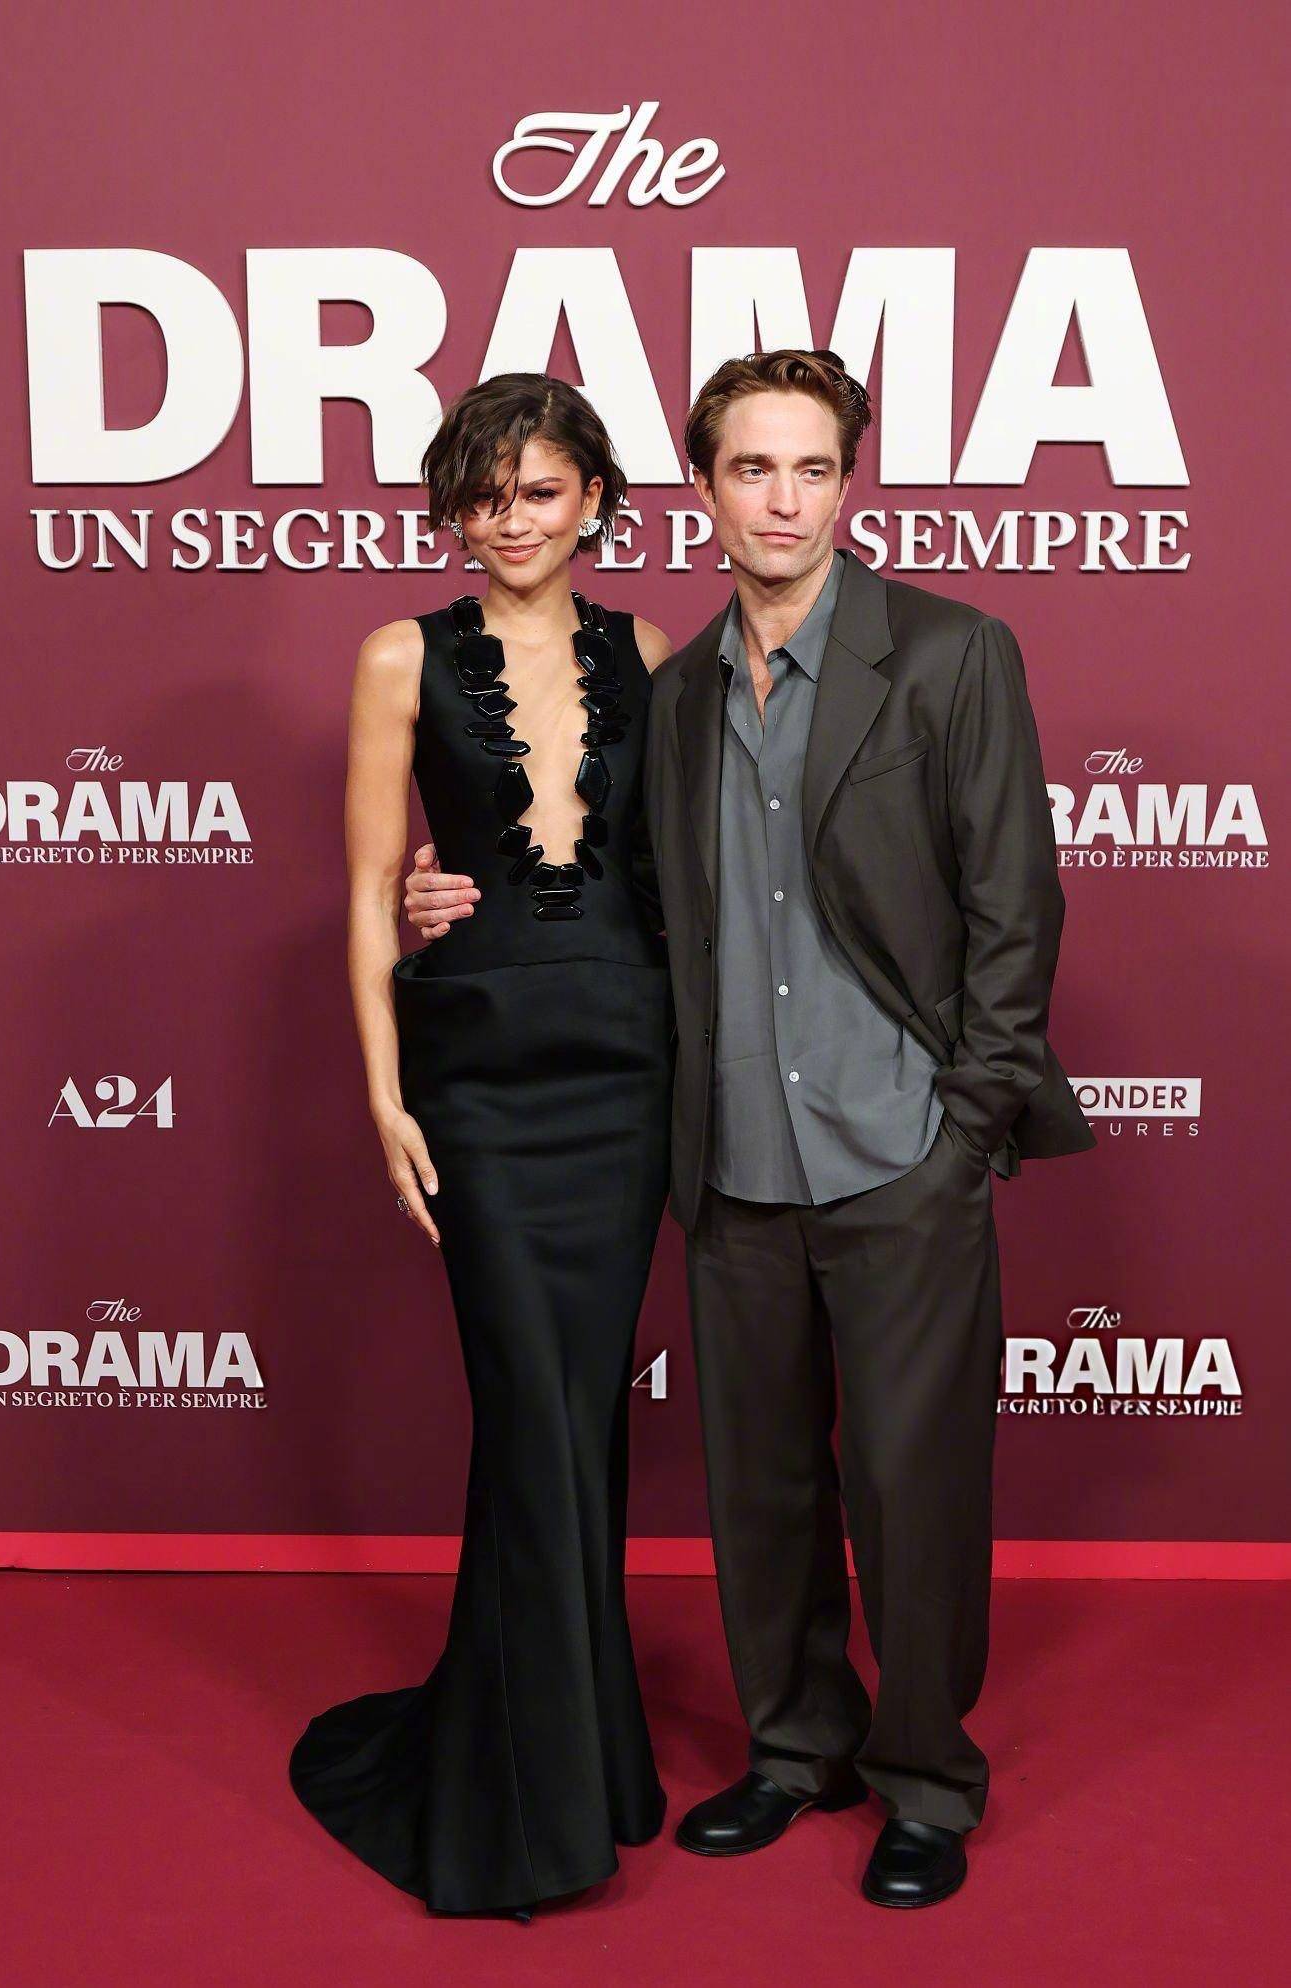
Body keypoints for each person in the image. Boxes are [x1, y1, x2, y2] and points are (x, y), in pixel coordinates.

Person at [404, 349, 1096, 1910]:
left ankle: (924, 1779)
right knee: (762, 1488)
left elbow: (1014, 906)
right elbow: (608, 883)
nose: (782, 500)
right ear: (703, 489)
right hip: (728, 1158)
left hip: (899, 1149)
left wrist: (964, 1125)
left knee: (910, 1490)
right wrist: (429, 886)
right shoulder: (674, 690)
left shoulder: (950, 653)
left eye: (811, 468)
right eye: (750, 469)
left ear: (846, 482)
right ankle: (796, 1749)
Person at [288, 373, 677, 1920]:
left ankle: (588, 1759)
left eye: (539, 490)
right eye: (482, 495)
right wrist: (383, 1094)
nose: (509, 522)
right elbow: (367, 888)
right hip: (480, 1080)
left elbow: (679, 869)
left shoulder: (650, 653)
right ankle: (526, 1798)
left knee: (579, 1414)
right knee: (526, 1411)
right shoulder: (400, 654)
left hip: (627, 1066)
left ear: (595, 499)